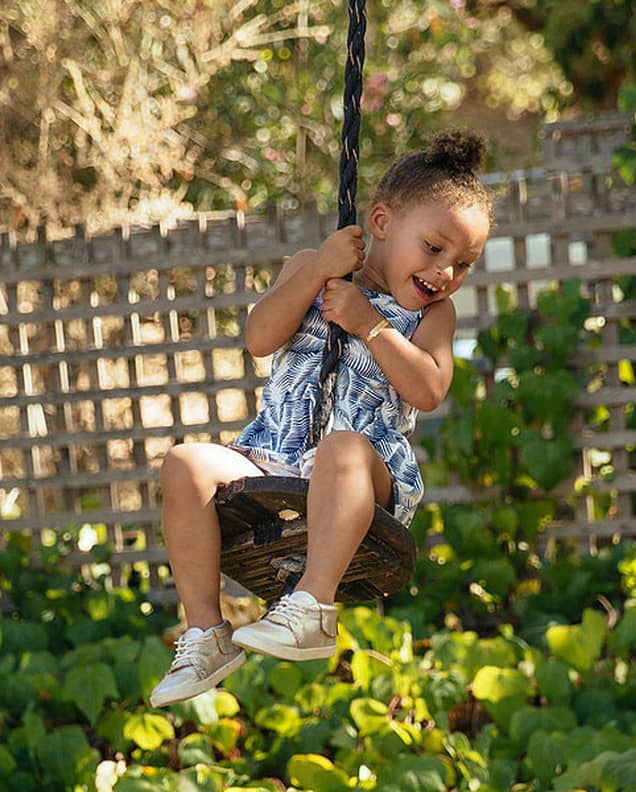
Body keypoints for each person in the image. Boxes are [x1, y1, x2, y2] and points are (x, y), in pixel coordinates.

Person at [150, 128, 493, 708]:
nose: (445, 273)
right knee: (184, 464)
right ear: (381, 223)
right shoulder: (313, 269)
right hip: (273, 452)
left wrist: (372, 325)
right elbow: (259, 338)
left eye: (463, 263)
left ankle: (312, 606)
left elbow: (430, 388)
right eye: (434, 249)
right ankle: (206, 632)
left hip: (367, 468)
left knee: (341, 446)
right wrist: (315, 272)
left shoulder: (434, 314)